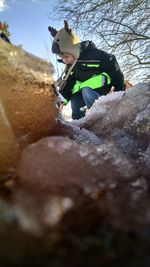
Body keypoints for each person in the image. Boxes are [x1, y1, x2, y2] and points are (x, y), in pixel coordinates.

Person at [48, 20, 125, 120]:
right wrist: (62, 100)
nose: (64, 60)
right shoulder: (71, 67)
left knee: (86, 91)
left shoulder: (94, 55)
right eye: (61, 58)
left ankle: (98, 117)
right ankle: (80, 124)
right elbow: (68, 85)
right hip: (83, 90)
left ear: (73, 50)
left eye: (66, 56)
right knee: (75, 100)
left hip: (101, 88)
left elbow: (112, 65)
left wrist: (119, 89)